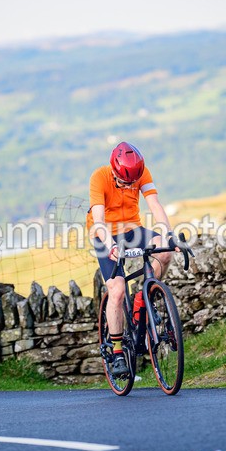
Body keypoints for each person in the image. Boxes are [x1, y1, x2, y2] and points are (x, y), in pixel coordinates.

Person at [87, 142, 178, 376]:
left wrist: (168, 234)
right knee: (116, 290)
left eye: (132, 183)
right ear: (114, 171)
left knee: (164, 252)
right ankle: (117, 352)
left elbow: (154, 205)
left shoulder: (141, 171)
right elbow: (98, 221)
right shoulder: (99, 177)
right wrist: (111, 246)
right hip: (104, 234)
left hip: (132, 230)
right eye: (123, 182)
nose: (129, 186)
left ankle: (142, 300)